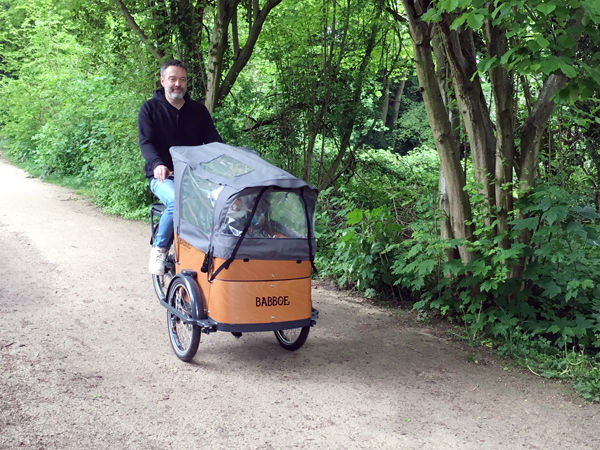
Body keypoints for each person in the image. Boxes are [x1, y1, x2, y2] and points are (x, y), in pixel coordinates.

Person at [139, 59, 222, 275]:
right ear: (163, 80)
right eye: (173, 79)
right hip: (163, 177)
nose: (178, 84)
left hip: (195, 176)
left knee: (226, 202)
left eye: (182, 80)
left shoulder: (198, 111)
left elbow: (214, 142)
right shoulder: (150, 109)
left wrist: (227, 161)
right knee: (177, 202)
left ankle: (212, 252)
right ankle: (159, 249)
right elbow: (146, 143)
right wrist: (157, 164)